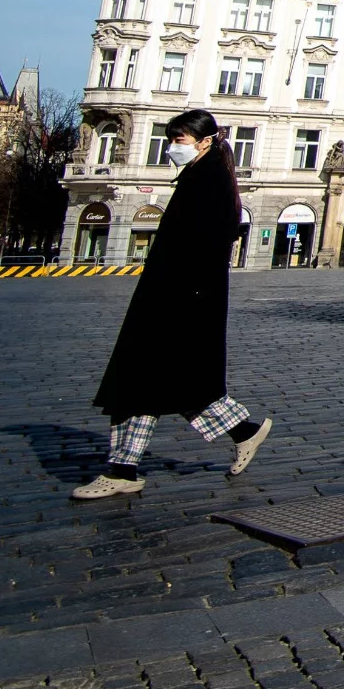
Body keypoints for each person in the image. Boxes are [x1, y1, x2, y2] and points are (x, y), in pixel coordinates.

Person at [72, 110, 272, 500]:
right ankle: (240, 431)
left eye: (179, 140)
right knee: (161, 383)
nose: (172, 147)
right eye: (173, 138)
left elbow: (204, 245)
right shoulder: (202, 175)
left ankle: (123, 470)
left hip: (179, 299)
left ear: (205, 141)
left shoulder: (208, 180)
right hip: (175, 296)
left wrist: (184, 297)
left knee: (148, 381)